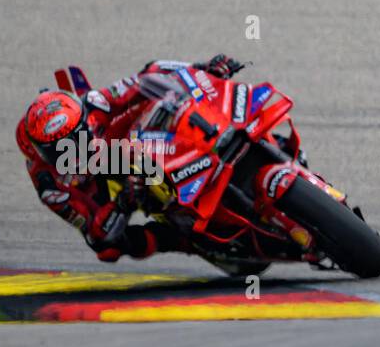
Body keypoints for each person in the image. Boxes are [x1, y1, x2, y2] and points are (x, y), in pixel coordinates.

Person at [14, 55, 244, 261]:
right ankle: (188, 243)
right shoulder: (49, 186)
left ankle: (219, 134)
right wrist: (123, 202)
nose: (72, 149)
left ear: (83, 119)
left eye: (77, 137)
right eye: (58, 148)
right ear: (41, 151)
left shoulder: (95, 102)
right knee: (107, 248)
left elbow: (146, 75)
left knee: (160, 94)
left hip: (117, 142)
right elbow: (95, 232)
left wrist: (201, 69)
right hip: (99, 182)